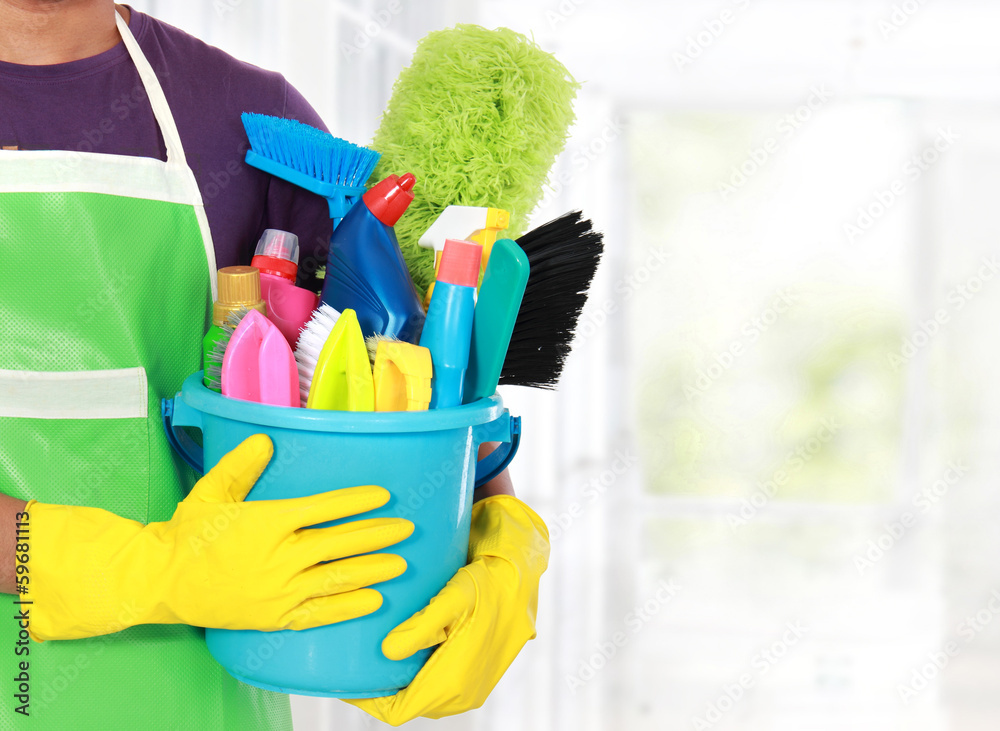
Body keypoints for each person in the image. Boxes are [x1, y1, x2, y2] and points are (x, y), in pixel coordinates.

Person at [0, 2, 550, 728]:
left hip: (201, 701)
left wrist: (503, 543)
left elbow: (404, 387)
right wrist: (144, 570)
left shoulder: (249, 119)